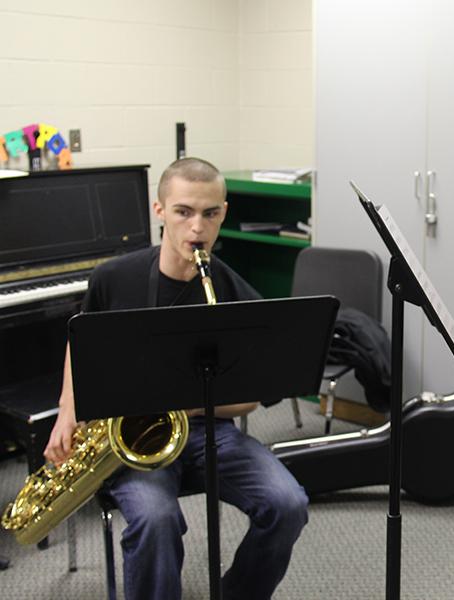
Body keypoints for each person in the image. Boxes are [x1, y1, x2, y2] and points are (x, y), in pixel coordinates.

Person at [44, 158, 309, 600]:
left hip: (209, 430)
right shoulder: (115, 277)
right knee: (155, 519)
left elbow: (250, 400)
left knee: (288, 505)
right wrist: (67, 410)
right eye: (184, 211)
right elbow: (80, 341)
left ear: (224, 212)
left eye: (210, 214)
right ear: (159, 210)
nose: (197, 228)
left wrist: (177, 404)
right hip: (129, 435)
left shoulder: (233, 291)